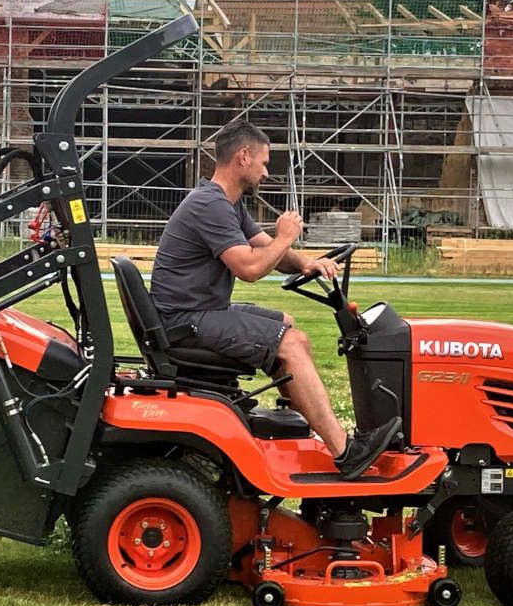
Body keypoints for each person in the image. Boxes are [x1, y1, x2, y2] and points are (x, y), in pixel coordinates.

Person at [149, 119, 399, 479]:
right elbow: (249, 269)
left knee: (286, 324)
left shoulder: (227, 204)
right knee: (292, 343)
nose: (266, 173)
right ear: (244, 157)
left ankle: (295, 417)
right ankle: (346, 452)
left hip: (195, 312)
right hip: (187, 320)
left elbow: (264, 247)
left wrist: (308, 262)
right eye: (264, 163)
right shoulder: (211, 205)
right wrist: (285, 236)